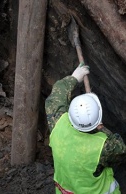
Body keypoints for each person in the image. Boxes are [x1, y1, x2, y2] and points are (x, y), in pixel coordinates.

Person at [45, 64, 124, 193]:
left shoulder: (58, 123)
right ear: (98, 119)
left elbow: (55, 97)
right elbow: (120, 149)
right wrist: (102, 128)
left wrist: (75, 77)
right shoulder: (103, 147)